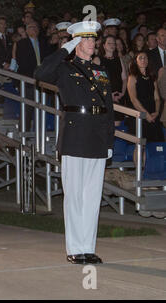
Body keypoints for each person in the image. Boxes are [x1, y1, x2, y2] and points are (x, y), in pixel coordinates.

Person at [35, 21, 114, 265]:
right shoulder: (64, 68)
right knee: (75, 195)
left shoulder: (101, 72)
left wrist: (109, 139)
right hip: (74, 135)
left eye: (93, 39)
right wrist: (64, 48)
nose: (93, 43)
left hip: (96, 137)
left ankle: (88, 248)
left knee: (92, 196)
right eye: (87, 39)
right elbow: (40, 74)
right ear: (77, 43)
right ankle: (75, 248)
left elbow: (108, 108)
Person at [127, 51, 164, 164]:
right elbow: (134, 99)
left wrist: (157, 112)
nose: (144, 60)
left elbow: (157, 98)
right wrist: (145, 114)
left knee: (155, 144)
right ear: (136, 61)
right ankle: (139, 174)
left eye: (146, 58)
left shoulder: (152, 77)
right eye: (141, 58)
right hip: (140, 114)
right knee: (140, 146)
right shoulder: (133, 77)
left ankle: (151, 172)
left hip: (153, 114)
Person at [16, 20, 49, 129]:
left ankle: (39, 133)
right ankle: (24, 134)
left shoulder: (44, 43)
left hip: (42, 81)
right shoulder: (21, 43)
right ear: (26, 30)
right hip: (28, 80)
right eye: (31, 27)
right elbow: (22, 62)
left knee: (41, 109)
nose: (34, 29)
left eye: (36, 27)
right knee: (27, 109)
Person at [93, 35, 127, 124]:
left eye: (114, 43)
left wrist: (122, 93)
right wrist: (108, 94)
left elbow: (124, 78)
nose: (112, 45)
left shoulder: (119, 59)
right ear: (103, 45)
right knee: (105, 125)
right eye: (109, 43)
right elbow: (98, 81)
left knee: (117, 124)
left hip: (118, 96)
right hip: (104, 98)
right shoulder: (98, 59)